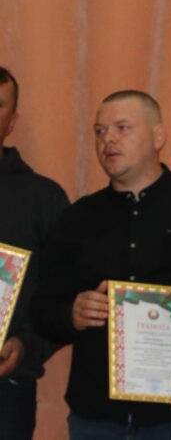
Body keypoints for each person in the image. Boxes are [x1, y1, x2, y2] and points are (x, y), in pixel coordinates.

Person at [32, 91, 171, 439]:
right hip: (96, 419)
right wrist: (70, 313)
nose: (108, 140)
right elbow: (41, 308)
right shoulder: (77, 217)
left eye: (122, 128)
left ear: (158, 136)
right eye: (100, 131)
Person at [0, 67, 69, 439]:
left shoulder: (44, 198)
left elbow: (64, 296)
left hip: (6, 392)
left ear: (13, 121)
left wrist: (26, 345)